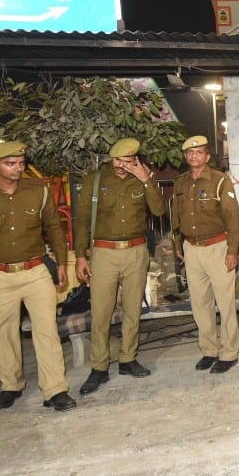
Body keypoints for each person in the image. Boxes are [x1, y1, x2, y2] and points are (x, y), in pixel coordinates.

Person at [0, 140, 74, 412]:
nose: (17, 168)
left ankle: (55, 390)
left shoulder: (38, 191)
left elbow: (54, 227)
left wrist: (62, 260)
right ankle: (11, 385)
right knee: (2, 333)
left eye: (20, 163)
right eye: (10, 164)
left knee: (47, 332)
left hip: (35, 272)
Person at [74, 138, 166, 396]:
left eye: (127, 161)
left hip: (136, 251)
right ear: (110, 159)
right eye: (117, 161)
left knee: (132, 308)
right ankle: (99, 366)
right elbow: (82, 219)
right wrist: (80, 255)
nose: (122, 166)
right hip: (104, 252)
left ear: (135, 160)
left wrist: (146, 179)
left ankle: (128, 359)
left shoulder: (141, 177)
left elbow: (159, 211)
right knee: (101, 312)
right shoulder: (96, 179)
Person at [172, 136, 239, 374]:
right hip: (192, 249)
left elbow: (233, 219)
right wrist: (178, 245)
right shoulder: (180, 183)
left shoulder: (220, 181)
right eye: (190, 153)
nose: (194, 156)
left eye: (199, 152)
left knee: (225, 303)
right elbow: (175, 217)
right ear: (186, 156)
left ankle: (229, 352)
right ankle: (209, 350)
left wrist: (232, 251)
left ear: (207, 157)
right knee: (200, 304)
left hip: (218, 247)